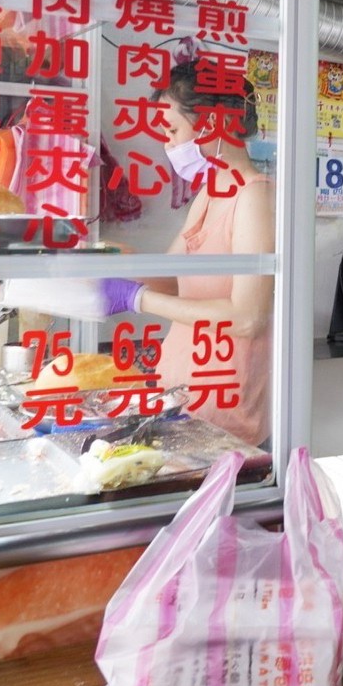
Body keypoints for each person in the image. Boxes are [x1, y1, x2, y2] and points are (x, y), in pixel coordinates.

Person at [100, 62, 275, 447]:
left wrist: (136, 297)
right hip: (184, 405)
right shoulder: (211, 193)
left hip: (224, 422)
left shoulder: (254, 197)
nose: (168, 144)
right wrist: (109, 267)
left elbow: (247, 317)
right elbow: (172, 278)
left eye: (172, 130)